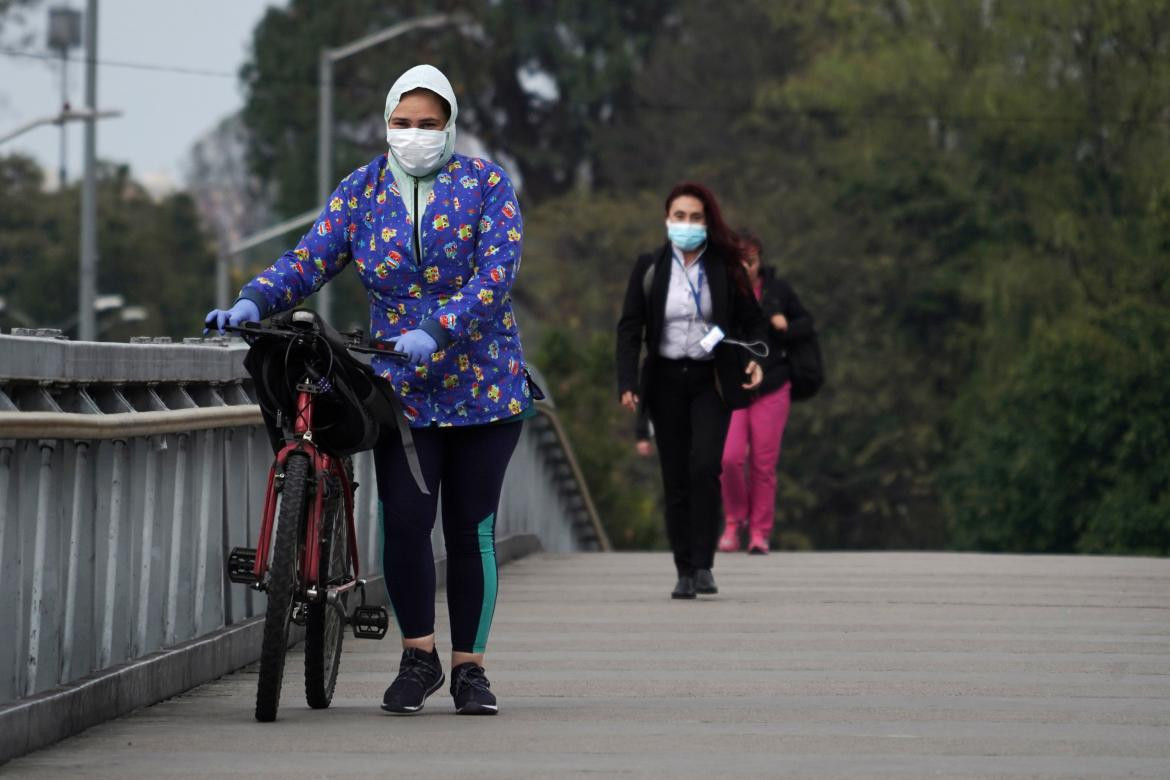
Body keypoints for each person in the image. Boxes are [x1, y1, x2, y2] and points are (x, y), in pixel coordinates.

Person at [205, 64, 534, 716]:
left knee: (469, 531)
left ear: (451, 127)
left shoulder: (486, 185)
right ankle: (419, 657)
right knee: (407, 525)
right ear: (387, 125)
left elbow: (496, 277)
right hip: (401, 393)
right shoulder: (363, 191)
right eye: (403, 123)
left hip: (484, 389)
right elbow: (310, 260)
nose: (415, 135)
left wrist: (437, 330)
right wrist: (251, 300)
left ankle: (471, 668)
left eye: (429, 123)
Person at [615, 182, 768, 599]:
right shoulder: (650, 267)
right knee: (675, 477)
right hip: (664, 380)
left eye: (695, 217)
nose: (687, 224)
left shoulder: (724, 268)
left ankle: (704, 564)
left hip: (710, 381)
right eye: (679, 216)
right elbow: (630, 328)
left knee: (706, 467)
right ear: (667, 220)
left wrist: (755, 359)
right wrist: (627, 381)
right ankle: (684, 569)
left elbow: (753, 323)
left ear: (708, 221)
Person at [718, 230, 814, 554]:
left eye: (751, 261)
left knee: (763, 463)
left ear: (760, 261)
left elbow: (807, 325)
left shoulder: (778, 291)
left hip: (772, 386)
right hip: (733, 386)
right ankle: (734, 521)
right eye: (739, 261)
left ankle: (760, 532)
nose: (746, 268)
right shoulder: (722, 292)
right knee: (729, 458)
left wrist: (783, 324)